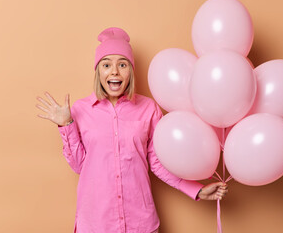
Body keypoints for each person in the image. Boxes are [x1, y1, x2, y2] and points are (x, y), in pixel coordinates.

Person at [36, 27, 228, 233]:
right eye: (106, 65)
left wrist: (196, 190)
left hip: (140, 224)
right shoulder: (80, 110)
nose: (114, 71)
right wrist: (66, 125)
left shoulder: (149, 109)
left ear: (131, 70)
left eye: (122, 64)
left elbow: (159, 163)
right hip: (96, 224)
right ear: (98, 71)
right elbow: (79, 165)